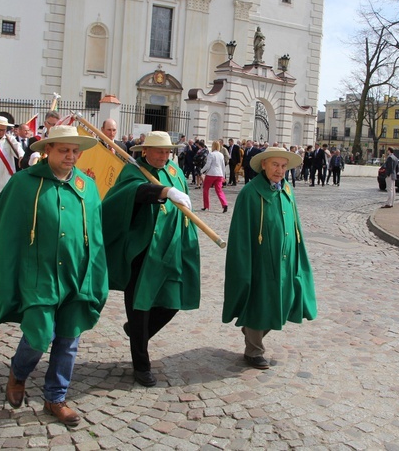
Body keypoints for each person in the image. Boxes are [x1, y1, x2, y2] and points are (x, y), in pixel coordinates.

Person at [0, 125, 106, 426]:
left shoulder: (87, 187)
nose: (71, 156)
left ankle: (55, 398)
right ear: (47, 151)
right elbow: (4, 233)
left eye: (75, 151)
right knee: (40, 335)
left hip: (76, 277)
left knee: (69, 339)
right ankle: (18, 374)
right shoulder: (23, 184)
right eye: (64, 150)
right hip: (39, 278)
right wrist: (4, 274)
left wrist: (95, 277)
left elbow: (95, 237)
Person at [101, 131, 199, 387]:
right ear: (145, 151)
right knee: (140, 308)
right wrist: (162, 191)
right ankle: (141, 365)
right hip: (142, 251)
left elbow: (183, 206)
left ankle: (135, 333)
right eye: (158, 151)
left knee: (172, 301)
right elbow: (131, 194)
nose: (163, 156)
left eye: (167, 151)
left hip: (169, 247)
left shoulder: (175, 172)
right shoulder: (134, 171)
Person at [222, 147, 316, 370]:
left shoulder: (287, 189)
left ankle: (251, 331)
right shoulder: (250, 193)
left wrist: (298, 254)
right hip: (261, 261)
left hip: (286, 258)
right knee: (260, 302)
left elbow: (295, 224)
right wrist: (245, 263)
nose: (280, 170)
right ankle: (253, 350)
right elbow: (241, 233)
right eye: (275, 165)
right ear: (263, 164)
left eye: (283, 166)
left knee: (285, 299)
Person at [201, 140, 228, 212]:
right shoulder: (221, 155)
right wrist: (223, 176)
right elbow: (223, 166)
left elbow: (208, 165)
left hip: (211, 174)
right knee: (219, 190)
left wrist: (201, 171)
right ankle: (224, 204)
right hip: (219, 174)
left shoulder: (211, 154)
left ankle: (206, 206)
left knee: (206, 189)